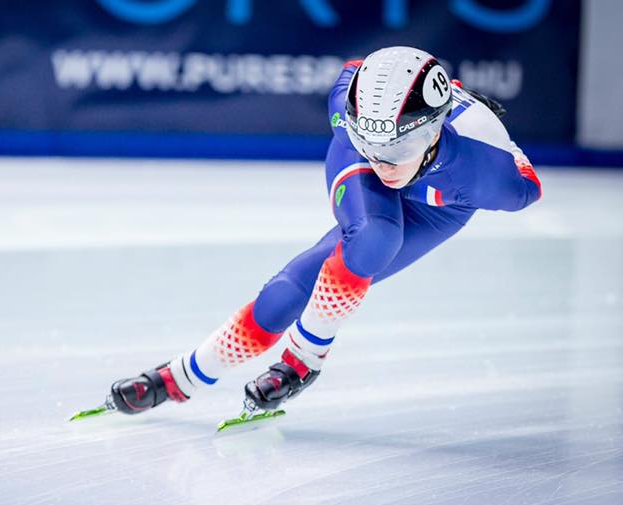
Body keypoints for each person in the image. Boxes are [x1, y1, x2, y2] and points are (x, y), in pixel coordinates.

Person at [103, 45, 542, 418]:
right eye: (371, 142)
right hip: (359, 165)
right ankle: (183, 376)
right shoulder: (349, 112)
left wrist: (490, 127)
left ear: (434, 131)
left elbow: (529, 184)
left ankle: (302, 359)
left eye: (400, 147)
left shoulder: (493, 177)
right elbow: (356, 72)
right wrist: (376, 146)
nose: (383, 163)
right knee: (310, 277)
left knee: (355, 252)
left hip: (441, 205)